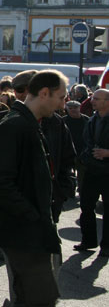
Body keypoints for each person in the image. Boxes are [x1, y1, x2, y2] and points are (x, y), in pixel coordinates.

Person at [0, 70, 68, 306]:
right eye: (60, 97)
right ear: (44, 93)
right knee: (37, 298)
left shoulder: (29, 124)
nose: (63, 104)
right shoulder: (14, 126)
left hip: (32, 230)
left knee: (39, 297)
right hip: (23, 233)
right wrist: (31, 215)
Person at [75, 88, 109, 257]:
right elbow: (87, 141)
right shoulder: (92, 119)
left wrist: (107, 153)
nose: (92, 101)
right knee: (86, 205)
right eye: (93, 97)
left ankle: (107, 246)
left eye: (97, 98)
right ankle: (88, 240)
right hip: (92, 169)